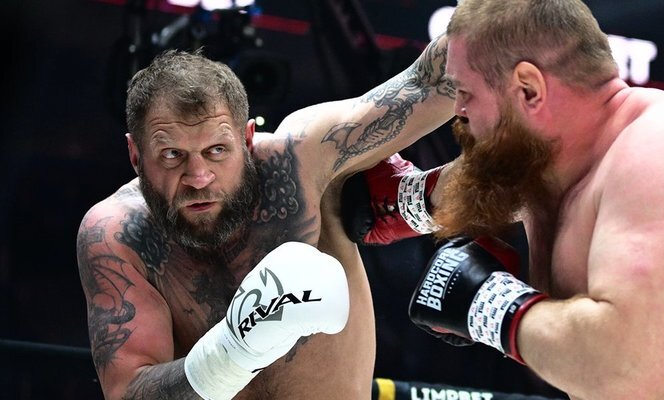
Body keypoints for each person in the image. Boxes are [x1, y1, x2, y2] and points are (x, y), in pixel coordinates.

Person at [351, 1, 664, 399]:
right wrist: (406, 200)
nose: (460, 112)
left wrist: (490, 304)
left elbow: (621, 374)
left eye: (466, 94)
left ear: (529, 89)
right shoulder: (551, 157)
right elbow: (485, 179)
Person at [76, 33, 454, 399]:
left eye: (217, 150)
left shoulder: (302, 160)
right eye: (172, 155)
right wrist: (235, 349)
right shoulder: (120, 233)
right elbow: (127, 391)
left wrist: (487, 18)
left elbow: (432, 80)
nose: (198, 177)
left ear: (247, 138)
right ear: (136, 154)